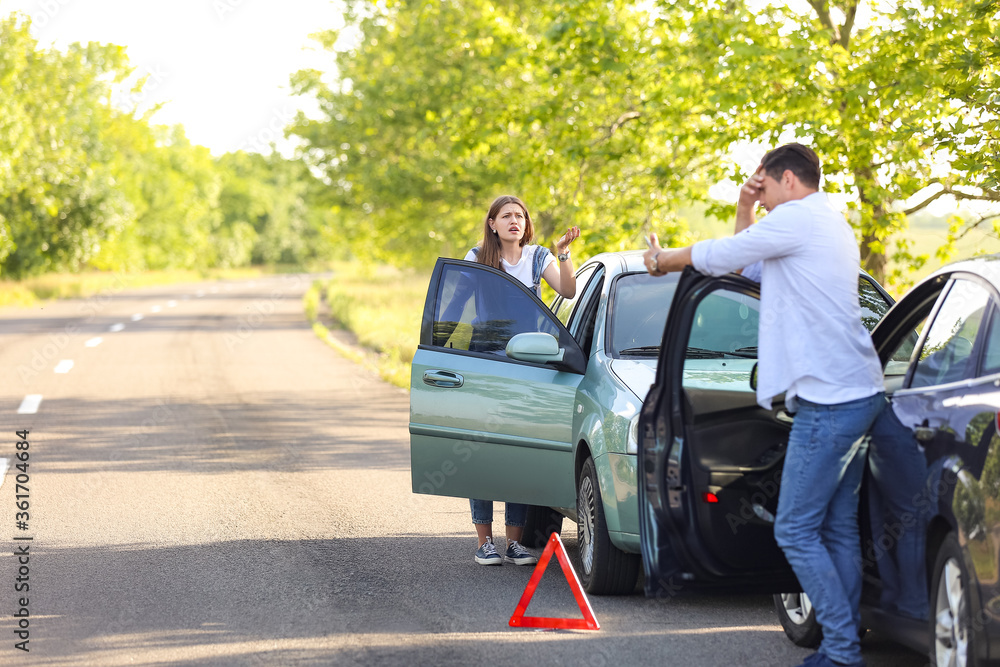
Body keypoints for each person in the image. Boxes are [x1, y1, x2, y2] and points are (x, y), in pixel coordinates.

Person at [642, 144, 884, 667]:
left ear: (789, 180)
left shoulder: (799, 218)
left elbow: (720, 259)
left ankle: (841, 650)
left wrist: (663, 261)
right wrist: (746, 207)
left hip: (829, 400)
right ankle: (844, 645)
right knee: (836, 526)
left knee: (794, 528)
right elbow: (745, 267)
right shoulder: (826, 223)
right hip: (856, 391)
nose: (766, 200)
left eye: (767, 189)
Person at [463, 194, 580, 566]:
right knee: (482, 453)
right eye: (506, 216)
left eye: (519, 215)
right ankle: (485, 543)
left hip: (528, 365)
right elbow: (455, 305)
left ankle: (514, 543)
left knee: (518, 451)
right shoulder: (476, 258)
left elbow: (568, 290)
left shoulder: (538, 257)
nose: (514, 221)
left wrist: (563, 252)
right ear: (493, 224)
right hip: (487, 364)